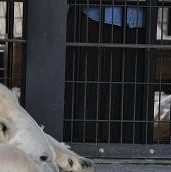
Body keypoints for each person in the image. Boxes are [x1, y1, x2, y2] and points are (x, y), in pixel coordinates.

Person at [64, 6, 150, 144]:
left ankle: (126, 142)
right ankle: (85, 140)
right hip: (94, 15)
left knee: (129, 88)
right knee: (89, 85)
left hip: (135, 19)